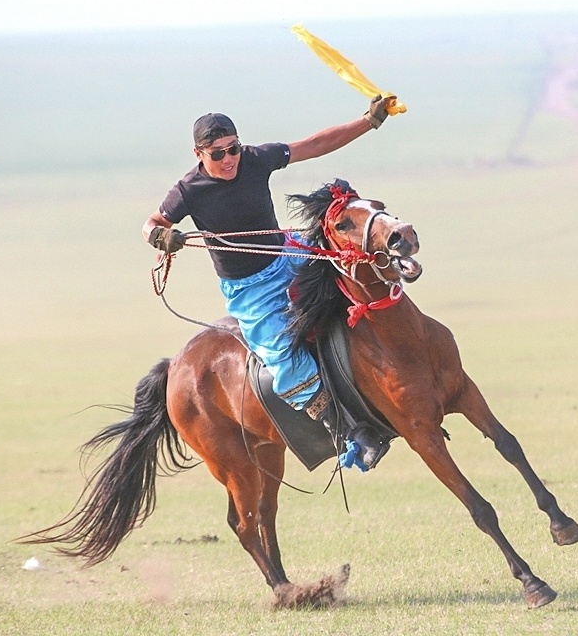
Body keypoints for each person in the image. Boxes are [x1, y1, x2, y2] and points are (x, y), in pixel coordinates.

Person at [142, 96, 394, 470]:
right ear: (199, 154)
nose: (229, 159)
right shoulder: (188, 191)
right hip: (250, 289)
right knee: (283, 359)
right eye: (218, 154)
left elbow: (314, 145)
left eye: (233, 148)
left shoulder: (256, 159)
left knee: (351, 267)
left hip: (288, 256)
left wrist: (368, 122)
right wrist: (162, 237)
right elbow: (151, 224)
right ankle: (347, 431)